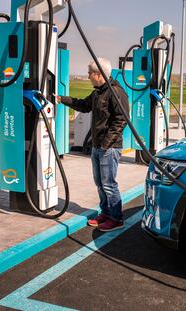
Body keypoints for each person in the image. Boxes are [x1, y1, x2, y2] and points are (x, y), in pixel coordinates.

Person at [55, 58, 129, 232]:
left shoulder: (116, 92)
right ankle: (106, 212)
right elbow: (84, 105)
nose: (88, 77)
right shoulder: (98, 93)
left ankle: (116, 218)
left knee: (109, 183)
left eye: (90, 73)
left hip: (109, 148)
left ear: (98, 74)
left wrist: (105, 144)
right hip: (98, 146)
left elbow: (121, 120)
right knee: (99, 183)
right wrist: (61, 99)